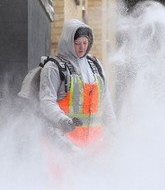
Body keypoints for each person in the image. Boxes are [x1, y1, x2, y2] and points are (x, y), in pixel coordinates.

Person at [39, 19, 115, 151]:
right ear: (68, 43)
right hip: (63, 144)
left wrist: (113, 128)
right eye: (77, 43)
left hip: (94, 146)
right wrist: (63, 120)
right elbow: (47, 101)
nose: (82, 47)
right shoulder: (54, 67)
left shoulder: (95, 66)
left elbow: (105, 100)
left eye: (85, 43)